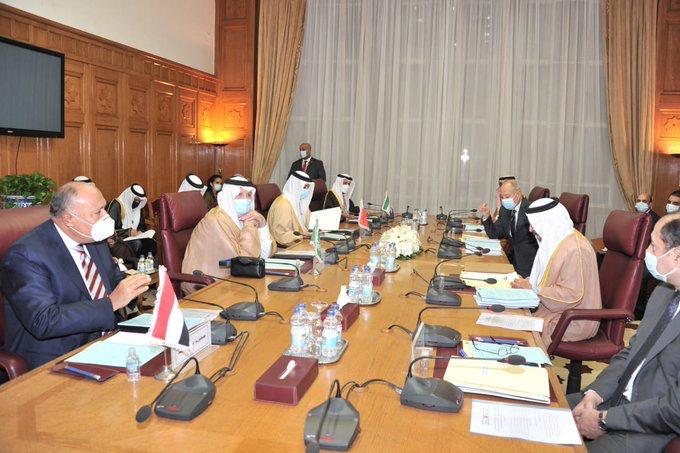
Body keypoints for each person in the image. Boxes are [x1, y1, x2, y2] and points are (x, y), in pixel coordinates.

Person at [1, 182, 151, 369]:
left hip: (104, 341)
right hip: (57, 357)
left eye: (104, 208)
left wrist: (132, 287)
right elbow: (44, 321)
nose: (106, 217)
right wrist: (111, 303)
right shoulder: (25, 255)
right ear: (69, 219)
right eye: (97, 212)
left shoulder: (93, 239)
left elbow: (113, 281)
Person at [566, 213, 680, 452]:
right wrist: (593, 395)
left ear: (676, 256)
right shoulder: (663, 292)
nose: (646, 252)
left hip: (647, 426)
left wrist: (605, 420)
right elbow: (631, 353)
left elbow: (674, 409)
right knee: (541, 411)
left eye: (653, 246)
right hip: (613, 399)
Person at [510, 198, 601, 347]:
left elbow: (572, 296)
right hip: (554, 310)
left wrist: (533, 289)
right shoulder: (557, 240)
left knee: (515, 332)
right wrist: (527, 281)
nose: (531, 230)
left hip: (573, 319)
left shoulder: (576, 249)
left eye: (533, 224)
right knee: (509, 316)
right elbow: (549, 277)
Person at [181, 175, 275, 294]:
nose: (246, 200)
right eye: (239, 195)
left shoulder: (245, 217)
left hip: (233, 280)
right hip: (208, 285)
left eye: (249, 195)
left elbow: (266, 255)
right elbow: (244, 262)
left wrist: (262, 224)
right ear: (228, 197)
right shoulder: (215, 220)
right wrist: (249, 227)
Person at [478, 179, 538, 277]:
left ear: (518, 193)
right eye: (502, 197)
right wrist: (486, 216)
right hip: (511, 261)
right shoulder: (505, 210)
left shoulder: (531, 210)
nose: (504, 200)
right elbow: (494, 234)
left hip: (529, 265)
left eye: (507, 196)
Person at [106, 183, 155, 263]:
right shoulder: (116, 205)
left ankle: (147, 266)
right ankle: (136, 265)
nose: (137, 203)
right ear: (129, 197)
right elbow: (108, 230)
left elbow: (141, 225)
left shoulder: (138, 208)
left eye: (139, 201)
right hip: (119, 239)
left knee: (150, 242)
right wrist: (128, 232)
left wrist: (140, 231)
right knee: (137, 243)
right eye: (136, 200)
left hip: (134, 237)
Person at [268, 171, 314, 246]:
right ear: (296, 186)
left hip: (302, 242)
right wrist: (301, 236)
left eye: (308, 188)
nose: (307, 191)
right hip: (286, 247)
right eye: (305, 187)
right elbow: (280, 235)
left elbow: (310, 224)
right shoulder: (283, 204)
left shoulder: (300, 202)